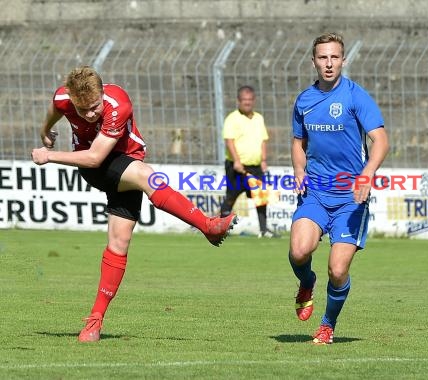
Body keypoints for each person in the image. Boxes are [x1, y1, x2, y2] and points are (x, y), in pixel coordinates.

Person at [30, 66, 237, 342]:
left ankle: (94, 322)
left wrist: (49, 155)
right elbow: (61, 119)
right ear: (72, 100)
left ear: (103, 93)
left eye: (95, 107)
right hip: (98, 167)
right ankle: (208, 226)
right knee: (145, 174)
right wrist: (45, 131)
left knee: (118, 242)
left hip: (113, 161)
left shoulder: (118, 104)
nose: (91, 114)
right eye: (84, 111)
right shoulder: (64, 99)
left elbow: (96, 154)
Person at [289, 33, 389, 345]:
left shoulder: (356, 96)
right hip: (316, 193)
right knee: (299, 250)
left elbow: (381, 140)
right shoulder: (304, 100)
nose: (329, 63)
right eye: (323, 58)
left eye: (334, 57)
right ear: (314, 61)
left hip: (350, 198)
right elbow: (297, 141)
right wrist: (299, 169)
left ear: (343, 60)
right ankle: (306, 282)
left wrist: (367, 174)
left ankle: (327, 325)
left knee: (337, 269)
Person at [220, 85, 278, 238]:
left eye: (250, 100)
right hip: (236, 166)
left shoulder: (259, 118)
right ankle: (220, 228)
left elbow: (263, 140)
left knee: (261, 197)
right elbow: (229, 141)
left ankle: (263, 230)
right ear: (238, 101)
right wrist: (237, 161)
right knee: (231, 196)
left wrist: (264, 160)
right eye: (244, 100)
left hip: (256, 166)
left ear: (254, 100)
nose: (247, 103)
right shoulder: (232, 119)